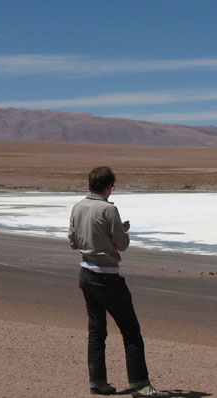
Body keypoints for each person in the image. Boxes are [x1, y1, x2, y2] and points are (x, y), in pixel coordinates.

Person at [68, 167, 168, 398]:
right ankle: (140, 385)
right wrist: (120, 234)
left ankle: (98, 382)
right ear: (109, 186)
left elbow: (74, 242)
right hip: (107, 276)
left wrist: (100, 240)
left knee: (96, 331)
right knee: (131, 331)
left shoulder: (77, 207)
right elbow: (122, 245)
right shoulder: (108, 209)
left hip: (86, 273)